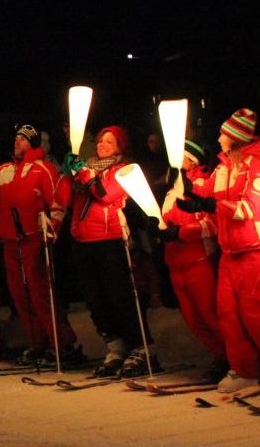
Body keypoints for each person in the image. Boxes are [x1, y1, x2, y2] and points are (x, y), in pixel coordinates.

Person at [181, 108, 260, 393]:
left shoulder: (258, 167)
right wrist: (187, 185)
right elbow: (207, 189)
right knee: (227, 313)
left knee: (253, 313)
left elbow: (249, 209)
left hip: (254, 247)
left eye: (223, 133)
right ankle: (245, 370)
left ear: (235, 138)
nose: (218, 136)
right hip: (230, 249)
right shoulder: (224, 166)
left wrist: (212, 206)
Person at [0, 125, 78, 366]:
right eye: (16, 138)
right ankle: (38, 343)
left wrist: (53, 228)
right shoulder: (5, 170)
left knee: (40, 294)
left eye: (22, 139)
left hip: (34, 240)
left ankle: (62, 343)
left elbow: (57, 201)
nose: (17, 142)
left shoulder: (43, 169)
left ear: (32, 144)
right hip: (11, 242)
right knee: (20, 296)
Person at [62, 125, 159, 378]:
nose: (102, 145)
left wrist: (83, 172)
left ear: (120, 147)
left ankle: (141, 347)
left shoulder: (123, 171)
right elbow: (69, 195)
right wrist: (69, 172)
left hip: (109, 239)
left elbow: (105, 195)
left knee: (120, 297)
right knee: (96, 299)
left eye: (109, 141)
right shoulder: (87, 168)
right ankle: (116, 347)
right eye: (101, 141)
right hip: (83, 240)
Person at [157, 140, 225, 381]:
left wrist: (182, 232)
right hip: (175, 262)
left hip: (199, 260)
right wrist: (160, 228)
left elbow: (212, 224)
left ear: (192, 160)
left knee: (211, 315)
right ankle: (220, 357)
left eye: (181, 156)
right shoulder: (170, 190)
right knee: (193, 319)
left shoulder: (202, 185)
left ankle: (235, 359)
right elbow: (164, 219)